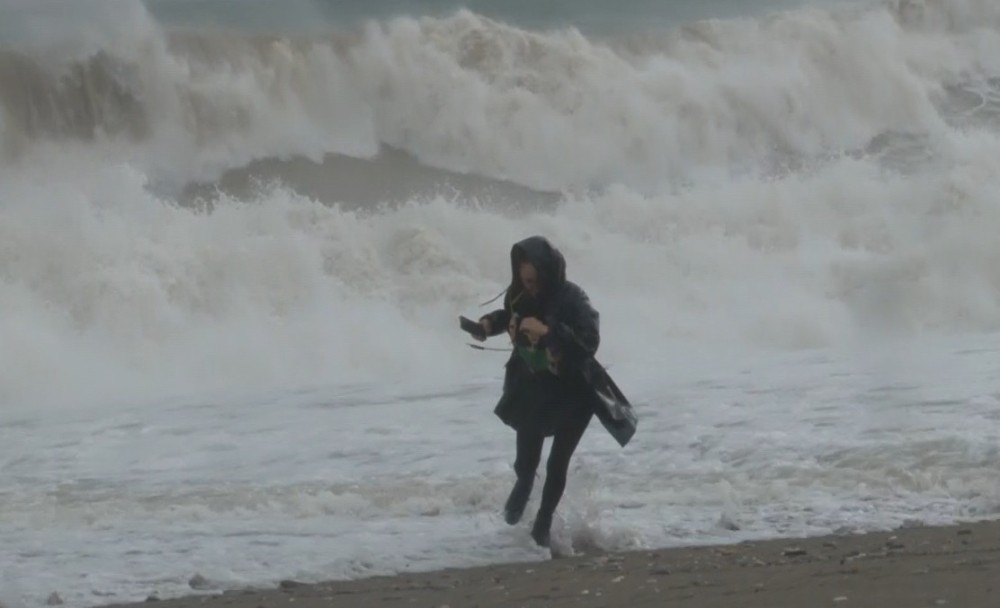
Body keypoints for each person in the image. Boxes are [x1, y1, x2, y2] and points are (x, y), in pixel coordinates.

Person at [474, 235, 637, 547]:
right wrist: (487, 324)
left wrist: (548, 332)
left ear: (548, 274)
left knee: (556, 464)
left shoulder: (574, 298)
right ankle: (521, 490)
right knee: (526, 463)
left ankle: (543, 523)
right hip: (535, 388)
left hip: (574, 392)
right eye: (524, 281)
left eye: (534, 281)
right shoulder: (520, 294)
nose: (529, 287)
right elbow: (508, 315)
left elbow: (589, 341)